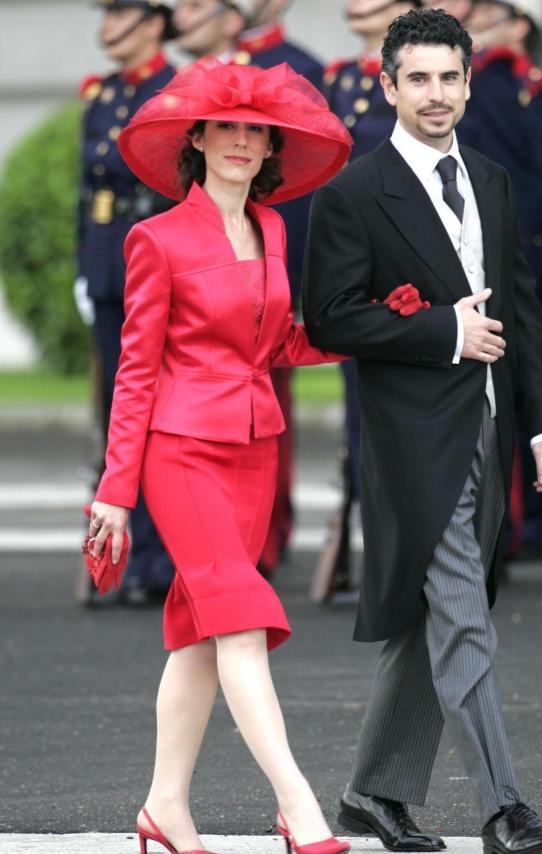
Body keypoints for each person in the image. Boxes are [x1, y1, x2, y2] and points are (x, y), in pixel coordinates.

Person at [303, 9, 542, 854]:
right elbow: (331, 319)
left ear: (467, 80)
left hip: (491, 428)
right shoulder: (353, 192)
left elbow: (521, 309)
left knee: (434, 621)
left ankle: (371, 794)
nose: (437, 94)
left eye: (451, 77)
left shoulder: (489, 176)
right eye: (418, 78)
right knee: (463, 616)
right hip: (413, 440)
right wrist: (443, 333)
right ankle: (505, 807)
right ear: (387, 85)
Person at [87, 57, 352, 854]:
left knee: (203, 634)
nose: (241, 141)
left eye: (255, 130)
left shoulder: (270, 228)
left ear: (272, 147)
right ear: (196, 138)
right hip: (179, 451)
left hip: (254, 449)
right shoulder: (153, 238)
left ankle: (164, 808)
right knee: (238, 620)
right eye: (226, 127)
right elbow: (135, 373)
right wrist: (114, 492)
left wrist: (378, 329)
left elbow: (278, 344)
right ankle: (299, 806)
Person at [173, 0, 324, 576]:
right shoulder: (199, 70)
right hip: (201, 256)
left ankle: (261, 535)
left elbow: (306, 186)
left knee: (263, 407)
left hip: (267, 258)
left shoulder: (298, 66)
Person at [454, 0, 542, 561]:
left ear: (519, 27)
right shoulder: (480, 86)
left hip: (535, 268)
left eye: (489, 14)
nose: (476, 22)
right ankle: (503, 520)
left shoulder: (540, 88)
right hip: (489, 265)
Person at [316, 0, 423, 599]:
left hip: (411, 263)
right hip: (358, 270)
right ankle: (374, 554)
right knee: (362, 416)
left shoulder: (430, 73)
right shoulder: (342, 79)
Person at [76, 0, 177, 604]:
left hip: (157, 266)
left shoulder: (174, 90)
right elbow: (85, 192)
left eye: (121, 15)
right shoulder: (104, 92)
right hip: (109, 266)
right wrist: (83, 265)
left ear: (154, 23)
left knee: (158, 413)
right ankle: (123, 554)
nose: (108, 28)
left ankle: (161, 559)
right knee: (117, 414)